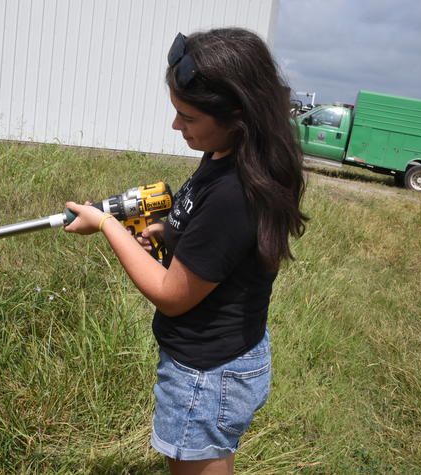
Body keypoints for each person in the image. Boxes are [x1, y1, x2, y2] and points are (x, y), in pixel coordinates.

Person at [64, 28, 307, 474]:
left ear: (237, 114)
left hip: (207, 373)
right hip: (214, 357)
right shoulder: (226, 153)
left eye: (188, 118)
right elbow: (210, 234)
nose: (177, 126)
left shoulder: (237, 192)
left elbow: (172, 295)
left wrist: (106, 225)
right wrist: (168, 232)